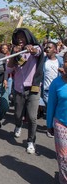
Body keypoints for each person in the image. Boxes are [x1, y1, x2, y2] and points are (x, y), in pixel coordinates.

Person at [6, 28, 44, 154]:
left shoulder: (35, 48)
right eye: (18, 38)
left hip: (33, 89)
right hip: (18, 89)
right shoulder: (15, 52)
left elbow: (37, 51)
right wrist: (14, 52)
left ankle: (30, 141)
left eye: (23, 37)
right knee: (18, 115)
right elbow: (9, 69)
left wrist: (31, 49)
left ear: (28, 37)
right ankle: (18, 125)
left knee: (32, 118)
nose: (20, 40)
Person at [46, 52, 67, 184]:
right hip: (61, 124)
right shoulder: (56, 83)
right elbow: (51, 105)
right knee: (64, 157)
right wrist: (49, 125)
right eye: (66, 60)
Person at [42, 41, 64, 137]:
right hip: (47, 90)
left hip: (58, 89)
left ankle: (55, 125)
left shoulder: (60, 61)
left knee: (55, 109)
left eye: (50, 47)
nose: (47, 49)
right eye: (46, 47)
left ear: (55, 50)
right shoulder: (43, 60)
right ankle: (50, 127)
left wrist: (63, 71)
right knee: (50, 108)